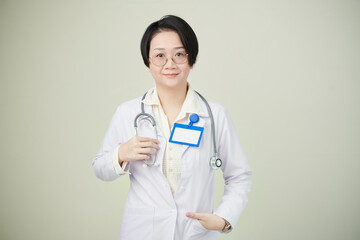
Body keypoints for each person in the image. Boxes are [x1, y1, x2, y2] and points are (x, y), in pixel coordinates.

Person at [92, 15, 252, 240]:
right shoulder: (128, 113)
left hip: (194, 233)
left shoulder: (215, 115)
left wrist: (224, 218)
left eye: (179, 54)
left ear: (191, 60)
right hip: (143, 232)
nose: (170, 64)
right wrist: (121, 154)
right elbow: (100, 168)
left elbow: (240, 176)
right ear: (148, 63)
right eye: (159, 56)